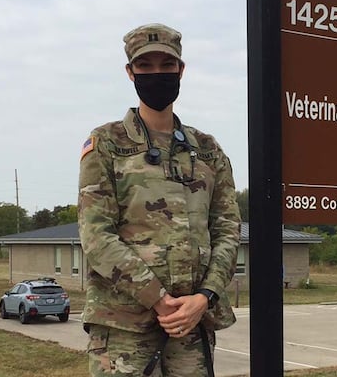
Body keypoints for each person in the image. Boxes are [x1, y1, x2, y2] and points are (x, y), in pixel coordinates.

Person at [77, 23, 241, 376]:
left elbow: (227, 229)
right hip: (125, 326)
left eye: (167, 66)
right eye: (145, 66)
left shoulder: (208, 150)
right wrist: (158, 299)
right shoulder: (106, 143)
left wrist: (205, 297)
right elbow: (96, 235)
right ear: (130, 72)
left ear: (181, 70)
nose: (157, 74)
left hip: (192, 324)